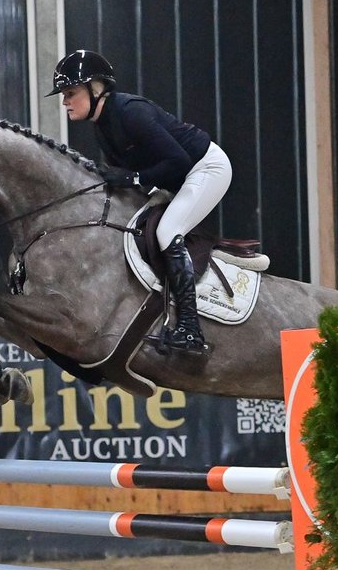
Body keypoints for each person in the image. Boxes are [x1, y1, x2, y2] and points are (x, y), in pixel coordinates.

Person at [47, 49, 231, 356]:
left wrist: (132, 179)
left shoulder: (130, 111)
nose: (64, 101)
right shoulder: (102, 126)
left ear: (96, 89)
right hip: (176, 178)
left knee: (166, 231)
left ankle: (190, 329)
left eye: (70, 93)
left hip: (205, 168)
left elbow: (178, 161)